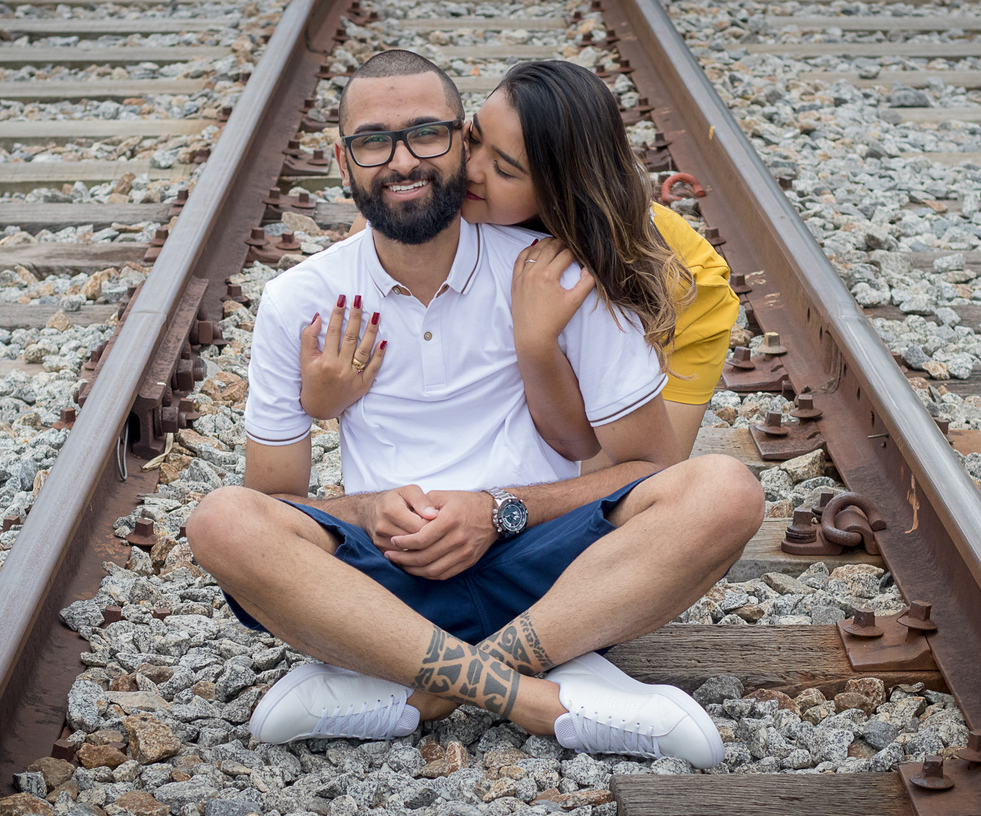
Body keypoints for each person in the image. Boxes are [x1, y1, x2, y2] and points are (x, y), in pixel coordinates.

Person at [186, 50, 763, 769]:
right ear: (343, 162)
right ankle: (540, 698)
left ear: (462, 141)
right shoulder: (300, 300)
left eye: (426, 133)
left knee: (725, 490)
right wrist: (368, 509)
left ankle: (419, 690)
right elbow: (275, 500)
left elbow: (645, 467)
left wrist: (495, 508)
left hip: (550, 577)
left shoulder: (554, 270)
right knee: (222, 519)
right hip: (385, 579)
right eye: (374, 141)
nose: (402, 161)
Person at [301, 59, 739, 466]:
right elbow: (358, 278)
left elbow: (632, 463)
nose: (471, 169)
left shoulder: (596, 248)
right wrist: (322, 401)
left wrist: (536, 342)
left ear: (556, 192)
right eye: (473, 140)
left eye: (505, 171)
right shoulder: (442, 188)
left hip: (683, 307)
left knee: (616, 486)